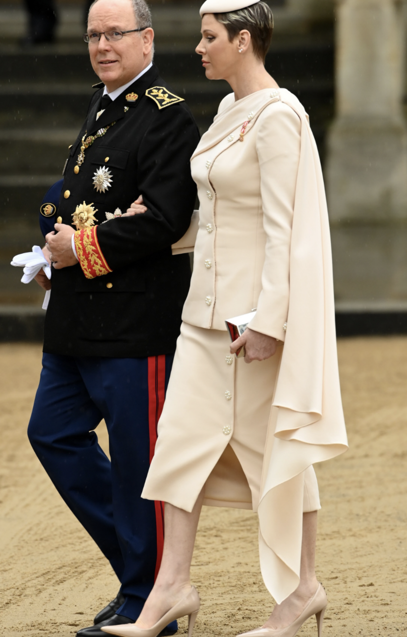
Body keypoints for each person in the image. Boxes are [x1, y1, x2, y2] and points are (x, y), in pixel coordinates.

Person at [100, 2, 348, 637]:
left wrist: (270, 320)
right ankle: (171, 589)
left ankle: (302, 592)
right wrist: (152, 227)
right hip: (202, 315)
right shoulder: (227, 112)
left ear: (244, 40)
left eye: (210, 38)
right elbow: (214, 212)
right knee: (180, 447)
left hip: (250, 323)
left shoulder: (279, 114)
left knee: (277, 453)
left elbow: (283, 229)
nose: (200, 49)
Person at [26, 0, 200, 636]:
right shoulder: (103, 106)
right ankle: (143, 573)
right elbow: (72, 195)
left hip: (135, 323)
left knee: (137, 463)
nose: (102, 44)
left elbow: (164, 219)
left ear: (147, 38)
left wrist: (82, 248)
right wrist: (47, 245)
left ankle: (150, 598)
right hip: (76, 322)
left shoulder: (168, 116)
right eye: (93, 34)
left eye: (115, 33)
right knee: (52, 435)